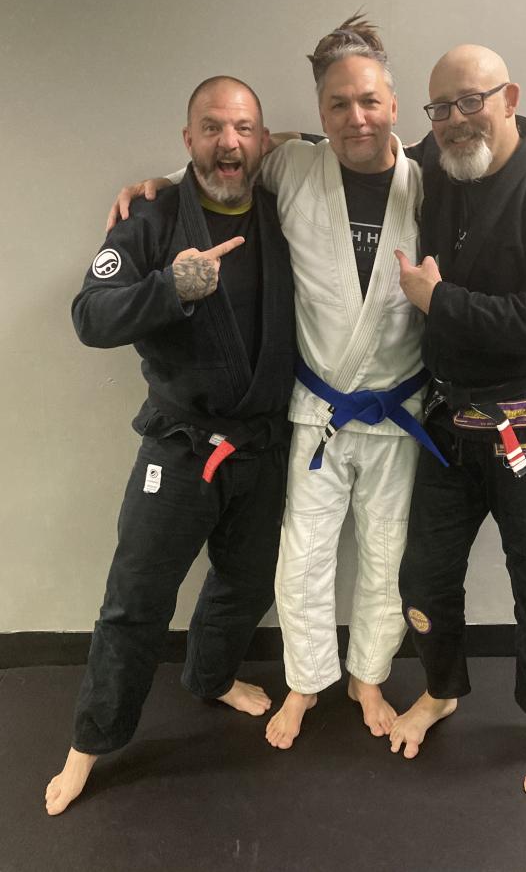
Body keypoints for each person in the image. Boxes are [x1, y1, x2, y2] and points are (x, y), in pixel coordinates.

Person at [107, 16, 441, 750]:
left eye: (370, 101)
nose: (356, 117)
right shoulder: (293, 167)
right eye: (338, 104)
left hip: (398, 408)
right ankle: (306, 680)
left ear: (394, 102)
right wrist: (162, 185)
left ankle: (368, 676)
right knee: (303, 555)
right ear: (319, 112)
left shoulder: (430, 182)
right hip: (317, 408)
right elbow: (225, 163)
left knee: (387, 553)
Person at [45, 76, 296, 815]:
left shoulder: (288, 209)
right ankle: (89, 743)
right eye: (212, 128)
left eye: (244, 129)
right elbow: (90, 315)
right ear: (188, 138)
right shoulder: (152, 217)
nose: (229, 142)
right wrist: (170, 288)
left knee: (248, 583)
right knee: (137, 599)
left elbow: (352, 147)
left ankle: (211, 677)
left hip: (262, 445)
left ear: (264, 140)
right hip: (180, 446)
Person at [389, 45, 526, 798]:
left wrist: (440, 303)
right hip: (451, 417)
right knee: (423, 573)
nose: (455, 120)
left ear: (508, 97)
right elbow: (358, 142)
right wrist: (181, 178)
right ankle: (441, 688)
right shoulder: (439, 159)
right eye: (440, 108)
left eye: (471, 101)